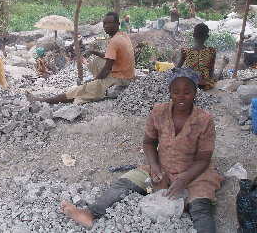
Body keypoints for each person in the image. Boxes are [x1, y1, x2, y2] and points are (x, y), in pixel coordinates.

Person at [61, 68, 223, 233]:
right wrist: (154, 167)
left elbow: (203, 159)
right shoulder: (158, 112)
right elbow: (148, 143)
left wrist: (183, 181)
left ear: (195, 93)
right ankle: (89, 213)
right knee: (124, 184)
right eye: (176, 92)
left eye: (187, 92)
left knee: (200, 207)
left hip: (194, 173)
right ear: (170, 93)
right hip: (161, 166)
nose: (181, 97)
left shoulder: (204, 120)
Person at [27, 12, 135, 104]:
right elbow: (110, 57)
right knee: (96, 61)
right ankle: (101, 86)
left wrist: (93, 81)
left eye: (109, 23)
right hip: (127, 74)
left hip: (121, 79)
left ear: (117, 24)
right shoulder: (123, 35)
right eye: (104, 23)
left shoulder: (115, 41)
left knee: (81, 89)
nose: (105, 26)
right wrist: (93, 51)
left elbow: (106, 69)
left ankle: (45, 100)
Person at [176, 23, 229, 90]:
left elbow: (177, 69)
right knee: (215, 76)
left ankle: (223, 64)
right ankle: (223, 64)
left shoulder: (185, 51)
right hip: (205, 85)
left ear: (193, 35)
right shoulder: (211, 51)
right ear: (207, 37)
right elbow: (211, 73)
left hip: (190, 83)